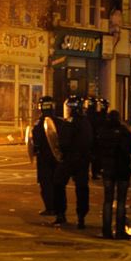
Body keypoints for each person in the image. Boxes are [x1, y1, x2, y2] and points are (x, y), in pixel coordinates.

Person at [52, 95, 92, 228]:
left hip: (69, 158)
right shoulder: (86, 122)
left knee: (58, 183)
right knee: (81, 188)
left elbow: (63, 141)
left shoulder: (69, 122)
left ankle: (60, 214)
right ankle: (81, 217)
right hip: (83, 160)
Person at [97, 110, 131, 239]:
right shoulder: (124, 132)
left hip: (108, 169)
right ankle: (120, 231)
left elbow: (96, 150)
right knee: (121, 201)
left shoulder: (103, 132)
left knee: (107, 201)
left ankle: (106, 231)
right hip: (122, 169)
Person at [29, 96, 58, 216]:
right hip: (56, 158)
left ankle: (50, 207)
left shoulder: (39, 124)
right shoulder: (58, 122)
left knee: (46, 184)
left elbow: (34, 142)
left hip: (44, 158)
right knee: (56, 183)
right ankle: (58, 208)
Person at [85, 98, 108, 180]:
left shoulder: (87, 115)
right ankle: (96, 172)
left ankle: (93, 172)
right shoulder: (101, 115)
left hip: (91, 138)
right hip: (97, 138)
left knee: (91, 156)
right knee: (96, 156)